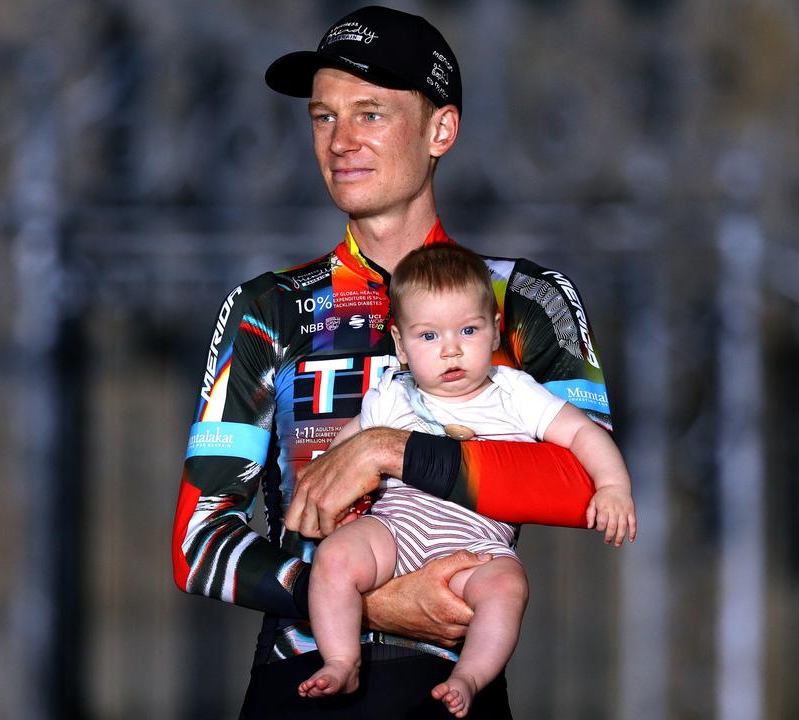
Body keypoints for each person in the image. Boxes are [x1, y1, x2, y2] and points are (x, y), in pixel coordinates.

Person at [171, 6, 623, 718]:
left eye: (371, 114)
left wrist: (390, 449)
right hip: (302, 678)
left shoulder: (525, 299)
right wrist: (379, 601)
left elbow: (581, 487)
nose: (340, 141)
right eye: (323, 117)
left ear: (440, 129)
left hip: (449, 689)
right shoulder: (270, 307)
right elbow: (198, 543)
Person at [300, 243, 635, 717]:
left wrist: (613, 486)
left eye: (469, 330)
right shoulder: (391, 396)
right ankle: (340, 659)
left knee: (506, 588)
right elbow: (342, 456)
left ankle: (470, 676)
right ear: (400, 344)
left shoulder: (513, 392)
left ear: (496, 330)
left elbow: (582, 433)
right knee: (334, 559)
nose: (451, 349)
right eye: (429, 336)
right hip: (397, 531)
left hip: (478, 544)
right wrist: (328, 492)